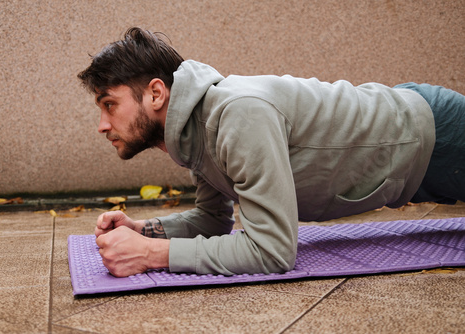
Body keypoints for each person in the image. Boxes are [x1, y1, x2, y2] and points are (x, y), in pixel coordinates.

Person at [77, 27, 465, 277]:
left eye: (109, 104)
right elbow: (213, 221)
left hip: (431, 135)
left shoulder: (235, 116)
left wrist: (151, 253)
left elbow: (273, 251)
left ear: (157, 94)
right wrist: (146, 231)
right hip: (413, 160)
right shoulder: (192, 133)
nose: (102, 125)